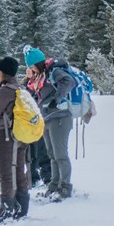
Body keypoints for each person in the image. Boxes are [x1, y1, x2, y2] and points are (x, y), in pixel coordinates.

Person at [24, 46, 75, 200]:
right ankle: (54, 184)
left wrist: (56, 99)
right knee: (51, 154)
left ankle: (65, 186)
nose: (31, 69)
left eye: (32, 66)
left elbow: (69, 82)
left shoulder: (54, 72)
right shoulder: (39, 77)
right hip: (47, 118)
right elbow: (31, 92)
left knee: (60, 154)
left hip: (60, 117)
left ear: (38, 63)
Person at [0, 57, 29, 224]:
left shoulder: (4, 91)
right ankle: (21, 208)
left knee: (6, 173)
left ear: (3, 72)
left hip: (5, 136)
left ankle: (5, 212)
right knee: (19, 171)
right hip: (20, 135)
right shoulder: (20, 88)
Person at [23, 66, 51, 186]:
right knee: (30, 152)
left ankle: (47, 178)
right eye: (27, 69)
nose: (28, 71)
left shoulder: (40, 83)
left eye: (31, 69)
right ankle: (32, 177)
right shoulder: (26, 84)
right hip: (28, 124)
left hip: (39, 122)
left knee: (42, 152)